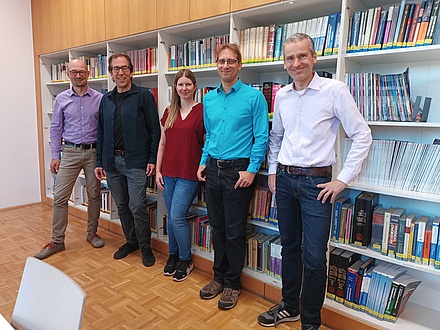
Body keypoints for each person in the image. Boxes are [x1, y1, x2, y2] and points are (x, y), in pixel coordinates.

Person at [257, 33, 372, 330]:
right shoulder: (281, 95)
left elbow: (362, 135)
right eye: (290, 58)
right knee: (289, 247)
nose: (296, 63)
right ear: (284, 63)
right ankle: (289, 306)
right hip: (283, 180)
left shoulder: (334, 90)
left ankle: (310, 322)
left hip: (316, 185)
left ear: (314, 57)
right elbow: (277, 137)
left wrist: (343, 180)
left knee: (314, 257)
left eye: (302, 56)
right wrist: (272, 171)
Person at [197, 44, 269, 310]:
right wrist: (203, 162)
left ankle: (232, 284)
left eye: (231, 61)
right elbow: (210, 135)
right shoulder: (209, 99)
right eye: (221, 61)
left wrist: (251, 170)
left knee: (235, 231)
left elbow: (261, 137)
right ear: (216, 65)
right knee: (217, 227)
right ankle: (217, 277)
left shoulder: (254, 98)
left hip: (239, 171)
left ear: (240, 65)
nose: (225, 66)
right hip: (213, 169)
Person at [94, 53, 160, 267]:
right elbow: (101, 132)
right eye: (116, 69)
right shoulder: (106, 99)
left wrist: (152, 158)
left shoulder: (143, 96)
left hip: (136, 162)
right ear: (111, 73)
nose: (120, 72)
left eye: (124, 68)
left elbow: (154, 130)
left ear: (131, 71)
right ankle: (131, 241)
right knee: (122, 205)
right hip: (112, 163)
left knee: (138, 205)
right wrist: (99, 162)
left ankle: (145, 247)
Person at [35, 59, 105, 260]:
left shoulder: (100, 99)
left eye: (81, 72)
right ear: (68, 74)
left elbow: (104, 129)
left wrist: (103, 159)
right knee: (60, 197)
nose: (78, 75)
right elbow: (56, 128)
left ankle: (92, 233)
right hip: (70, 152)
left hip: (93, 152)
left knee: (94, 195)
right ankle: (57, 241)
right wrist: (55, 155)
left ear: (88, 73)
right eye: (74, 72)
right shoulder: (62, 99)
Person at [156, 69, 205, 282]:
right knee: (171, 216)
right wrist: (158, 170)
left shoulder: (203, 111)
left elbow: (206, 143)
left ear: (195, 86)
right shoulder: (169, 111)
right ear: (175, 88)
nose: (184, 88)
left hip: (189, 172)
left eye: (188, 84)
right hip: (168, 171)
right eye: (180, 85)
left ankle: (186, 260)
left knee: (177, 216)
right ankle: (173, 255)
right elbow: (163, 143)